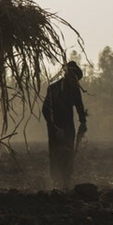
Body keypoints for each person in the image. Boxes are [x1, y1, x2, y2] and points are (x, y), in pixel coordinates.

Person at [42, 61, 88, 190]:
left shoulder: (75, 90)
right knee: (55, 153)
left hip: (68, 127)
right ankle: (56, 181)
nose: (75, 81)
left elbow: (79, 106)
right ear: (67, 75)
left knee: (68, 153)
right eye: (74, 78)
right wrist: (54, 128)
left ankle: (66, 180)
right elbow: (45, 110)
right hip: (54, 127)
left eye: (76, 80)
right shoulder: (53, 89)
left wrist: (83, 122)